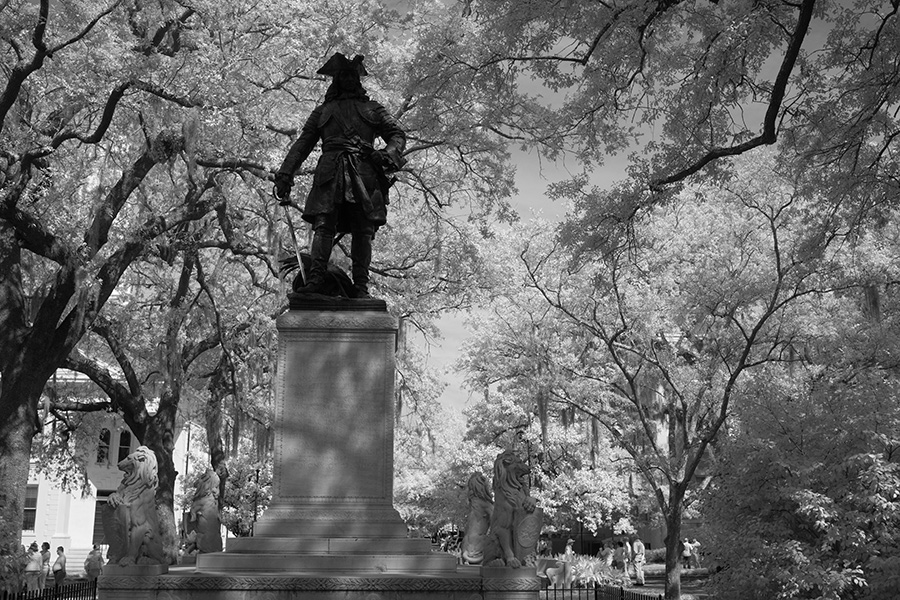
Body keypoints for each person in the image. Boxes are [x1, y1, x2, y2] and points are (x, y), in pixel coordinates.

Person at [274, 52, 407, 299]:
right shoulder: (322, 112)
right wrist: (285, 174)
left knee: (363, 229)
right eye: (342, 75)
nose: (347, 80)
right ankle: (315, 279)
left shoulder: (374, 109)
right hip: (330, 172)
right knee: (324, 226)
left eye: (351, 75)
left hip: (364, 172)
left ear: (357, 80)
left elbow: (397, 136)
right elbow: (302, 145)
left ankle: (360, 287)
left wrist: (384, 155)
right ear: (336, 80)